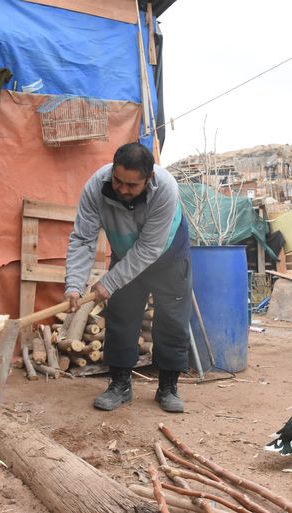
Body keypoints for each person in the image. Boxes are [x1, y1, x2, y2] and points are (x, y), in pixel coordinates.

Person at [64, 142, 192, 413]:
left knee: (172, 319)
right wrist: (74, 284)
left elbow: (148, 248)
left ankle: (168, 386)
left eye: (131, 186)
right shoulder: (96, 186)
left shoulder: (166, 189)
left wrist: (109, 282)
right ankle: (120, 385)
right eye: (118, 181)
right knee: (121, 315)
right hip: (126, 253)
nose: (122, 189)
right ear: (113, 170)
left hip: (167, 255)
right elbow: (83, 238)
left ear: (150, 179)